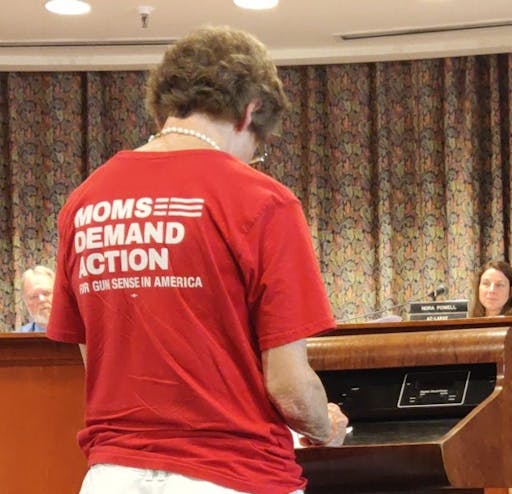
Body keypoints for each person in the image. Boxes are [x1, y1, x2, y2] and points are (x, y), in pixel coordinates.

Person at [47, 26, 347, 494]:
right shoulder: (262, 200)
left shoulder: (84, 203)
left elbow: (97, 357)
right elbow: (289, 386)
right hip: (235, 475)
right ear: (252, 111)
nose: (253, 160)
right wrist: (324, 424)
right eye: (259, 149)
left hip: (111, 478)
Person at [15, 265, 55, 333]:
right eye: (34, 296)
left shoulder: (78, 330)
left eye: (46, 293)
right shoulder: (15, 340)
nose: (42, 300)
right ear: (26, 302)